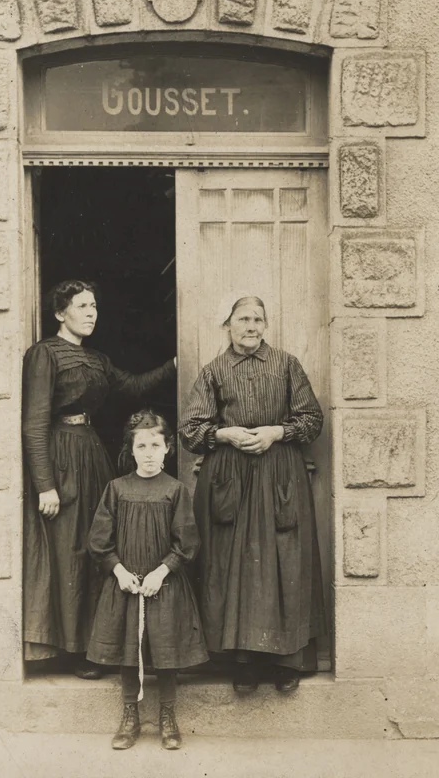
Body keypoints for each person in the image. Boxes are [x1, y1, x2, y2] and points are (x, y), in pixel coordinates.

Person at [22, 280, 176, 677]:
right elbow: (34, 423)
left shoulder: (97, 360)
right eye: (82, 306)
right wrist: (44, 484)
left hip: (91, 455)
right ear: (61, 313)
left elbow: (134, 387)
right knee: (70, 550)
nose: (91, 313)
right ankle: (72, 650)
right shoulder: (44, 354)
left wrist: (175, 365)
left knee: (101, 545)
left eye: (94, 306)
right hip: (61, 458)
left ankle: (98, 646)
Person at [179, 295, 325, 693]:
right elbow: (191, 431)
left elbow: (312, 419)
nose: (251, 326)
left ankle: (287, 661)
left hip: (280, 475)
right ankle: (242, 664)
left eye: (258, 319)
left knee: (285, 563)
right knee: (233, 568)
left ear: (266, 325)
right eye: (243, 318)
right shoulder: (214, 371)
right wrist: (224, 434)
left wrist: (276, 432)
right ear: (227, 325)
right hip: (230, 479)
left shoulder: (287, 365)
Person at [86, 410, 208, 750]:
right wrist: (119, 571)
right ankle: (130, 717)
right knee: (130, 652)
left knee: (165, 652)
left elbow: (187, 543)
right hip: (126, 585)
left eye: (156, 445)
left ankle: (168, 717)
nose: (150, 453)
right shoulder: (117, 489)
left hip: (163, 585)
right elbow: (99, 541)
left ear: (168, 448)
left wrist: (162, 570)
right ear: (132, 449)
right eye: (142, 446)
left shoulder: (176, 490)